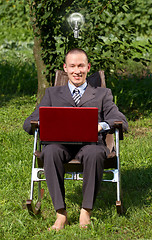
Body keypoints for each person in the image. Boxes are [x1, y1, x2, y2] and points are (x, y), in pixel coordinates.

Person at [23, 48, 128, 230]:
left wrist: (100, 125)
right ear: (65, 68)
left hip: (91, 144)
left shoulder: (103, 94)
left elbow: (122, 121)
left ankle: (86, 211)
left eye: (81, 66)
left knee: (95, 153)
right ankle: (61, 213)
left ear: (88, 68)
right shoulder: (52, 94)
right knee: (50, 152)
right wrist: (44, 122)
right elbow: (28, 124)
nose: (77, 70)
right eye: (72, 66)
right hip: (59, 143)